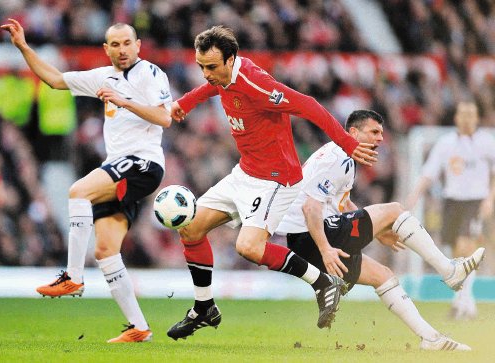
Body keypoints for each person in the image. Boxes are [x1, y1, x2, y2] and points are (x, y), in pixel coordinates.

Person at [167, 26, 378, 341]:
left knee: (249, 247)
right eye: (201, 66)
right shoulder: (222, 77)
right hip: (245, 172)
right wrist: (187, 101)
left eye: (211, 66)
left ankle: (323, 283)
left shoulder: (256, 83)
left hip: (275, 179)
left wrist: (348, 144)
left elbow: (308, 105)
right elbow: (215, 87)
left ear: (231, 60)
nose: (206, 73)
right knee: (191, 229)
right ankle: (204, 308)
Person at [1, 19, 172, 343]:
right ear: (106, 49)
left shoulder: (149, 74)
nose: (122, 50)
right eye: (115, 45)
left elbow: (164, 117)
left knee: (78, 190)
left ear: (137, 46)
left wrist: (124, 101)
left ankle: (73, 277)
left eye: (127, 43)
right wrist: (24, 47)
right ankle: (139, 327)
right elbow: (54, 79)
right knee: (106, 251)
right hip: (119, 167)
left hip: (143, 163)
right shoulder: (101, 77)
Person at [276, 109, 484, 351]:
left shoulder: (343, 156)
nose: (380, 139)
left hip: (309, 239)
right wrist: (325, 249)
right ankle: (450, 271)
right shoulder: (336, 158)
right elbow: (310, 208)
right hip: (312, 236)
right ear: (353, 132)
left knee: (383, 276)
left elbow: (342, 205)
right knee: (395, 209)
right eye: (374, 132)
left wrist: (379, 228)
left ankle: (430, 338)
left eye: (382, 133)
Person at [407, 101, 495, 320]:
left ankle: (462, 301)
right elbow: (429, 172)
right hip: (451, 202)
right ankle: (467, 301)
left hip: (476, 201)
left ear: (477, 118)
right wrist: (414, 195)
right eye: (462, 114)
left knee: (468, 245)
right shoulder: (446, 143)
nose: (466, 118)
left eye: (470, 114)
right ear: (456, 118)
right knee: (456, 251)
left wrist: (490, 199)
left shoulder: (487, 142)